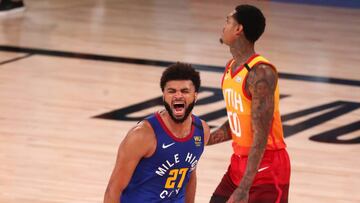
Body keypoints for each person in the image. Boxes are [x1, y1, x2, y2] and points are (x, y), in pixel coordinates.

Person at [206, 4, 291, 203]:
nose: (223, 27)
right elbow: (238, 125)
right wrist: (203, 139)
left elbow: (261, 134)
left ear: (238, 29)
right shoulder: (231, 68)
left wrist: (244, 187)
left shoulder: (260, 73)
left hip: (267, 168)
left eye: (228, 21)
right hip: (239, 163)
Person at [104, 62, 210, 203]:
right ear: (164, 95)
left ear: (195, 96)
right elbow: (113, 190)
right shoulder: (142, 135)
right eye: (171, 91)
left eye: (185, 91)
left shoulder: (201, 130)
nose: (178, 96)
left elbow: (190, 175)